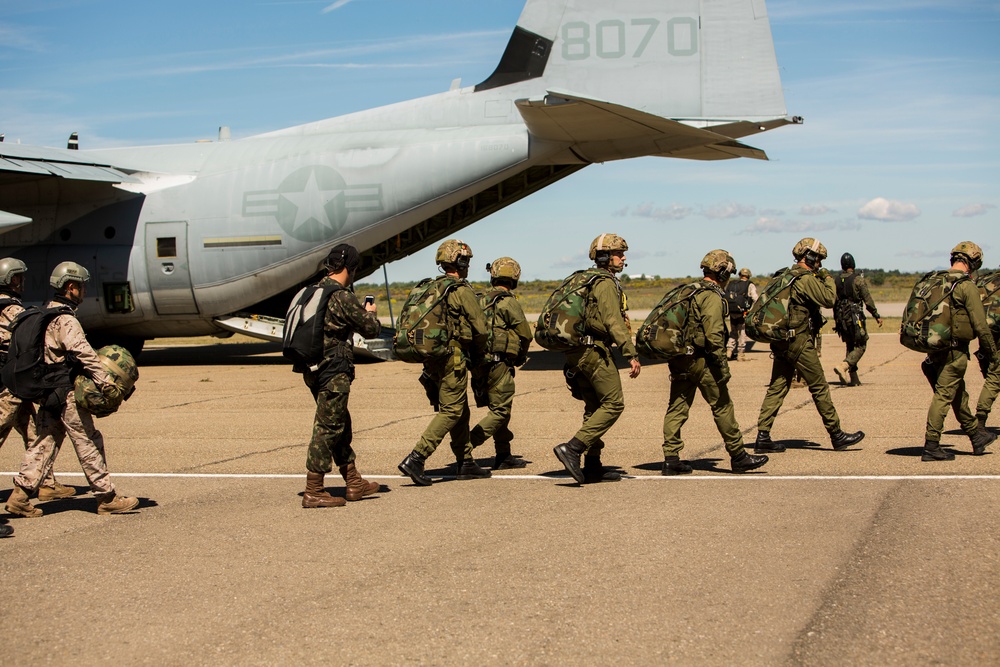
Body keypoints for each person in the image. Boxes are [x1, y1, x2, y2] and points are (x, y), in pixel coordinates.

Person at [5, 262, 139, 517]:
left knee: (44, 443)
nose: (84, 290)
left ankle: (20, 496)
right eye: (81, 286)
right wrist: (106, 383)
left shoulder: (45, 313)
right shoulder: (65, 319)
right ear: (70, 287)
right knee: (88, 441)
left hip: (48, 393)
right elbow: (85, 354)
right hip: (66, 394)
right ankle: (106, 496)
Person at [661, 251, 769, 475]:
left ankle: (671, 458)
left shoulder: (689, 290)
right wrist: (722, 366)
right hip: (701, 360)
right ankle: (738, 456)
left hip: (681, 359)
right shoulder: (711, 295)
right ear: (722, 272)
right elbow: (714, 334)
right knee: (722, 405)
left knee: (677, 407)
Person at [754, 238, 865, 453]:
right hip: (798, 341)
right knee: (819, 386)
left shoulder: (783, 276)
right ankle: (837, 434)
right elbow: (829, 298)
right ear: (810, 257)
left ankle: (763, 435)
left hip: (782, 340)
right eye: (819, 260)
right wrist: (826, 277)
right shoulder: (804, 279)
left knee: (778, 386)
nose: (820, 265)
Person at [398, 240, 491, 486]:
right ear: (459, 262)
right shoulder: (459, 289)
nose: (468, 265)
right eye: (466, 260)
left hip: (433, 358)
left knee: (459, 408)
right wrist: (481, 355)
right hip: (453, 357)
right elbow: (480, 328)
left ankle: (466, 461)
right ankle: (417, 457)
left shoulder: (428, 287)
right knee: (452, 410)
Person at [552, 234, 641, 484]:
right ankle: (572, 449)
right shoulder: (604, 283)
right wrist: (630, 353)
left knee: (594, 408)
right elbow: (613, 320)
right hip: (592, 351)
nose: (623, 258)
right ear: (604, 257)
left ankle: (593, 464)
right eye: (619, 253)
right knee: (613, 403)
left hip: (577, 352)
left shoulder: (583, 278)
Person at [298, 244, 382, 508]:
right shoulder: (340, 296)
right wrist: (370, 313)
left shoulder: (313, 291)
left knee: (339, 423)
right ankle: (314, 489)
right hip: (333, 370)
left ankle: (353, 481)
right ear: (351, 268)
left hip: (312, 368)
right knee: (328, 427)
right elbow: (370, 330)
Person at [0, 258, 75, 503]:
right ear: (10, 279)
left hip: (12, 384)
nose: (22, 282)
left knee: (35, 432)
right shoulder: (12, 311)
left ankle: (46, 483)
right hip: (8, 387)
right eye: (18, 277)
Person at [919, 242, 996, 461]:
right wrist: (992, 354)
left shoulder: (936, 280)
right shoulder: (965, 285)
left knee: (958, 395)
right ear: (972, 262)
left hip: (936, 349)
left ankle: (975, 436)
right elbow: (981, 325)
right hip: (955, 352)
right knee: (944, 396)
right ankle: (931, 445)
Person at [470, 257, 532, 470]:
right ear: (515, 277)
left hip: (478, 364)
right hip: (498, 364)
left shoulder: (477, 299)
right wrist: (521, 356)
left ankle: (503, 454)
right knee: (501, 411)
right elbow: (525, 334)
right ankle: (466, 446)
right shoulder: (507, 301)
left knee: (500, 408)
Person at [832, 253, 883, 386]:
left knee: (850, 345)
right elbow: (868, 300)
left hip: (841, 319)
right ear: (853, 264)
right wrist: (876, 315)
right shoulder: (858, 280)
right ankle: (844, 366)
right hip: (855, 318)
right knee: (861, 344)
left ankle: (853, 379)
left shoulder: (835, 280)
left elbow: (832, 301)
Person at [726, 267, 758, 361]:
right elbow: (755, 298)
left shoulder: (732, 284)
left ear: (740, 275)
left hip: (732, 312)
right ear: (748, 275)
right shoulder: (749, 285)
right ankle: (741, 354)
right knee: (743, 333)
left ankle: (729, 350)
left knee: (733, 332)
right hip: (743, 312)